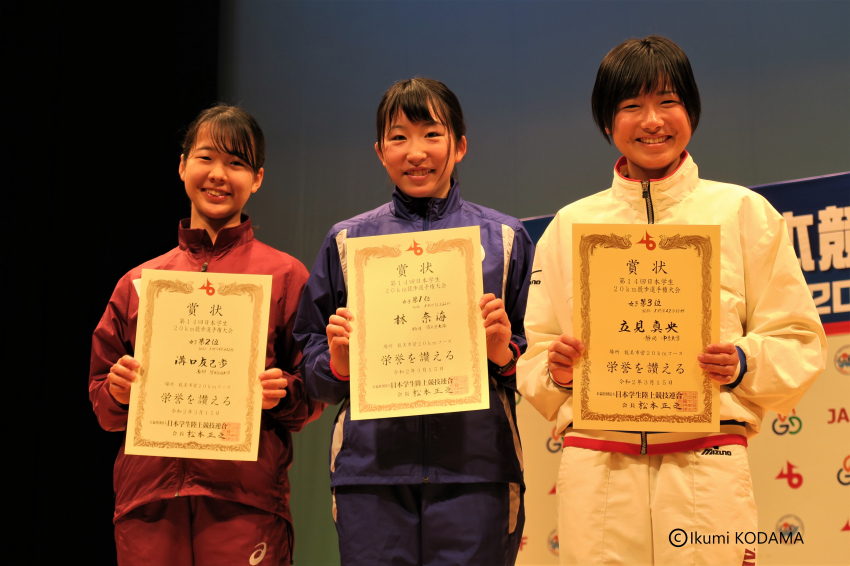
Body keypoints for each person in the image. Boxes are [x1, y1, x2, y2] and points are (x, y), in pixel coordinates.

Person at [517, 36, 826, 566]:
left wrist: (743, 362)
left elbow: (798, 340)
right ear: (607, 122)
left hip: (707, 467)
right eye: (631, 106)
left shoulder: (744, 213)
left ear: (692, 110)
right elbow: (535, 357)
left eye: (668, 101)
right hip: (599, 474)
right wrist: (559, 372)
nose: (652, 120)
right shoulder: (568, 227)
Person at [294, 78, 534, 565]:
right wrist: (336, 364)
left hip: (477, 471)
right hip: (372, 473)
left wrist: (504, 354)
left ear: (460, 145)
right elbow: (310, 364)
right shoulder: (348, 242)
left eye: (432, 134)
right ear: (380, 151)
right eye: (399, 137)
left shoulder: (507, 239)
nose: (415, 152)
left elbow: (540, 360)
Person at [89, 104, 322, 566]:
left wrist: (285, 393)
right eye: (206, 158)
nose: (219, 175)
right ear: (181, 166)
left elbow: (312, 388)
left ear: (256, 179)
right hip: (150, 500)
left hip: (244, 500)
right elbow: (102, 401)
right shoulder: (141, 282)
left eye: (236, 164)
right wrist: (117, 390)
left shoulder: (286, 276)